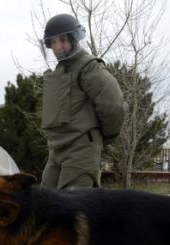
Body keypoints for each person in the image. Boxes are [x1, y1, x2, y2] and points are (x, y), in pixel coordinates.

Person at [40, 14, 125, 189]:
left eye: (62, 40)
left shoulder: (88, 67)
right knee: (43, 203)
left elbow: (113, 105)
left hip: (81, 149)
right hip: (56, 149)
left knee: (71, 207)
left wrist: (106, 136)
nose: (58, 47)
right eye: (53, 42)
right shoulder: (61, 69)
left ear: (73, 39)